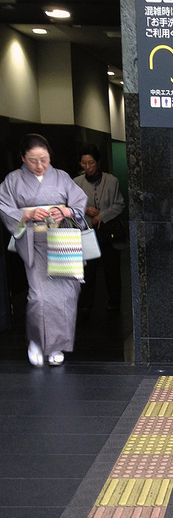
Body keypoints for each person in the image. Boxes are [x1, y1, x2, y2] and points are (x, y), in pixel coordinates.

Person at [0, 133, 88, 366]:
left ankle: (56, 346)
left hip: (62, 241)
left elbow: (78, 203)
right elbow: (4, 207)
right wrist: (26, 214)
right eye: (33, 160)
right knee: (39, 297)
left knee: (66, 295)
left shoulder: (61, 177)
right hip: (33, 242)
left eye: (44, 159)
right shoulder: (13, 180)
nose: (39, 165)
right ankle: (38, 342)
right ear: (22, 158)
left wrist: (67, 212)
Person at [73, 144, 125, 316]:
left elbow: (119, 204)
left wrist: (102, 215)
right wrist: (85, 210)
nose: (88, 167)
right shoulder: (76, 183)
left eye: (91, 163)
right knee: (88, 270)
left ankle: (114, 301)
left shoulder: (111, 181)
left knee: (112, 269)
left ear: (98, 162)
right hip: (87, 232)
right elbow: (70, 206)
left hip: (107, 232)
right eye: (84, 163)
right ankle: (86, 303)